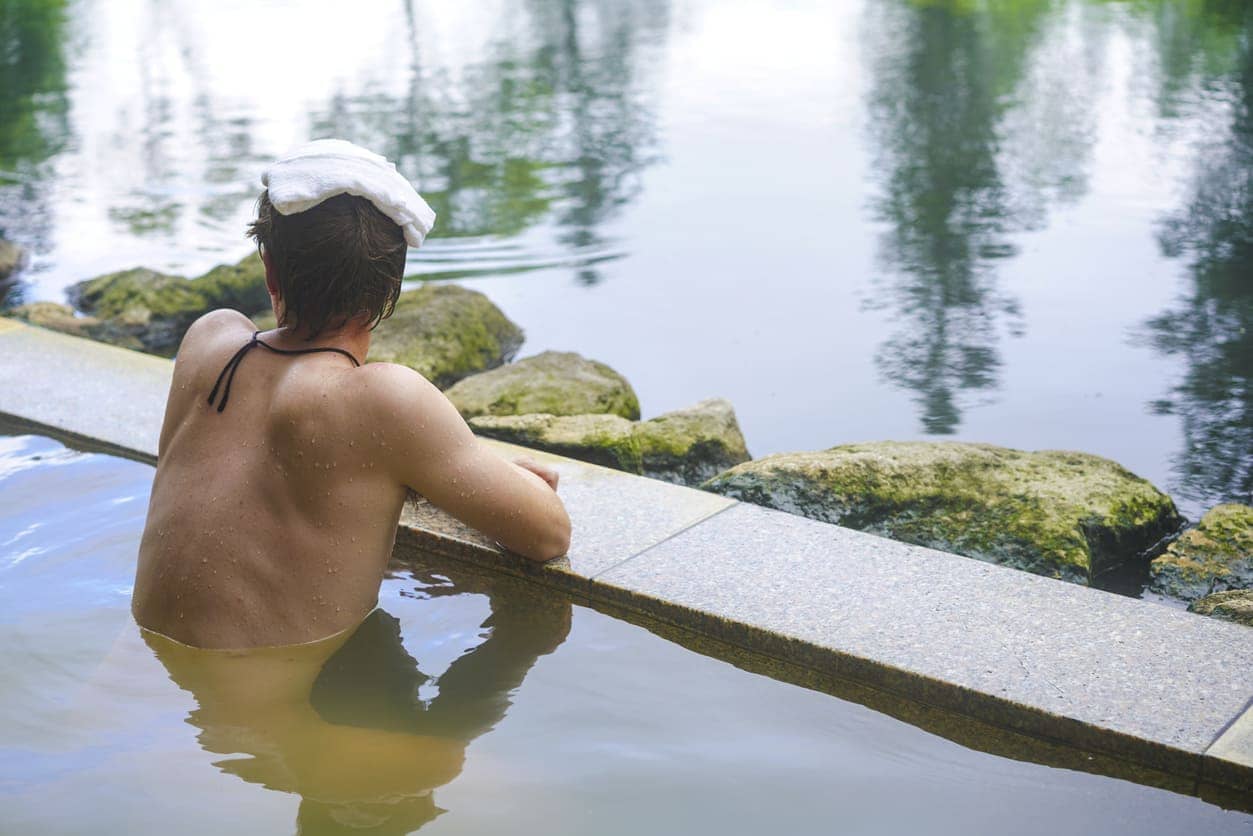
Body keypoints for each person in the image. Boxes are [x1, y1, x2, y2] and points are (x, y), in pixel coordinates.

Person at [131, 139, 571, 650]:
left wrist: (423, 468)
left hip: (136, 675)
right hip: (274, 715)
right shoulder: (385, 403)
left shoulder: (206, 344)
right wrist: (487, 479)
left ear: (270, 268)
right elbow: (549, 535)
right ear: (392, 285)